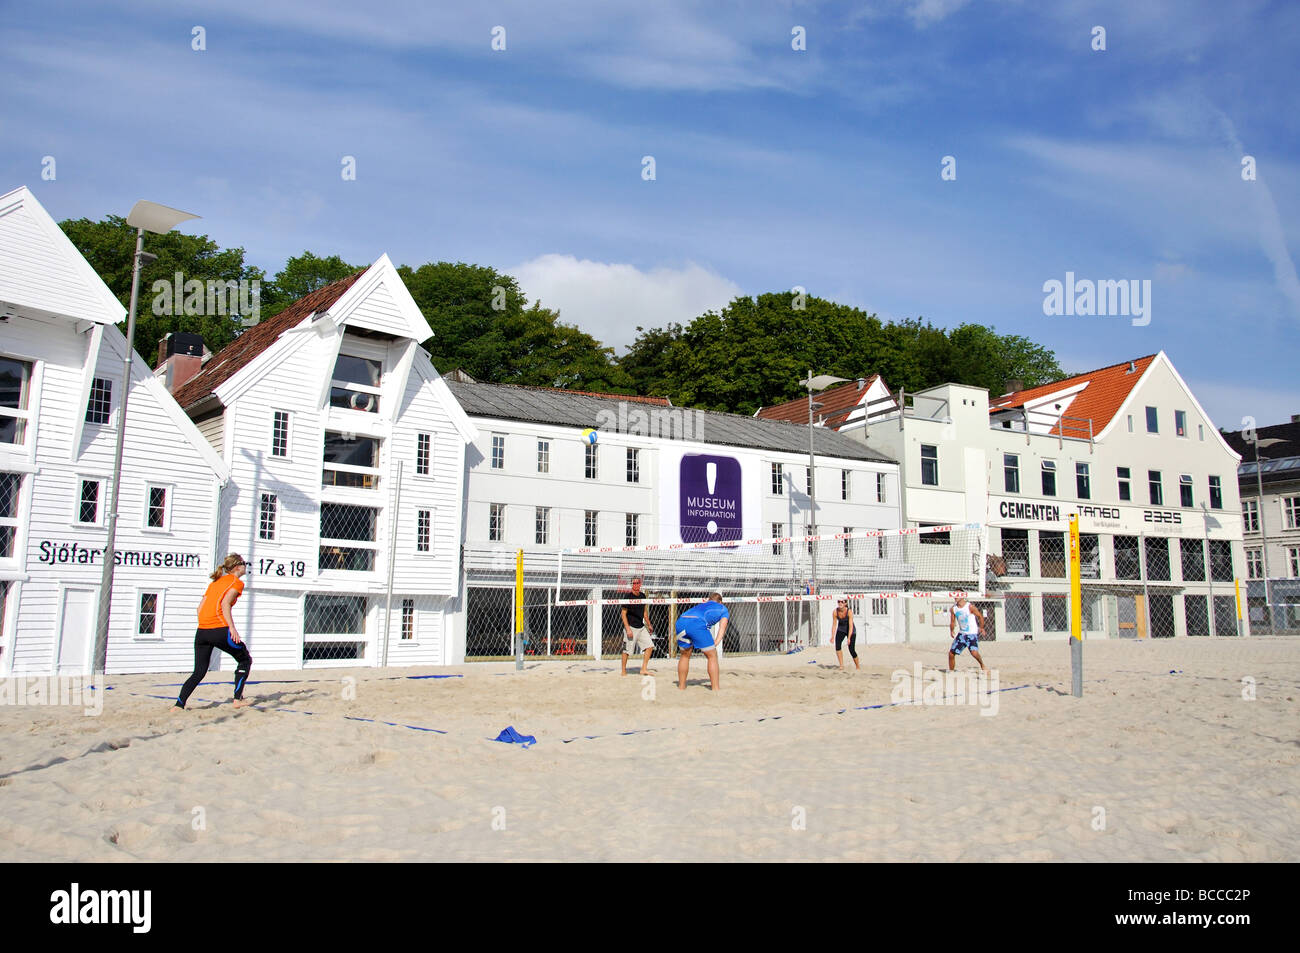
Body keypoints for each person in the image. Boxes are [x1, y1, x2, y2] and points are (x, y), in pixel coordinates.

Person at [174, 553, 253, 710]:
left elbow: (199, 608)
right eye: (244, 563)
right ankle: (237, 699)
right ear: (237, 567)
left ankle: (178, 705)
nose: (246, 565)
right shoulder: (236, 582)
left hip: (202, 631)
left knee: (199, 671)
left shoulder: (215, 583)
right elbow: (225, 604)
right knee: (245, 660)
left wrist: (207, 625)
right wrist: (232, 628)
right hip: (219, 629)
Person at [675, 593, 728, 691]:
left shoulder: (702, 605)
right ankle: (715, 688)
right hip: (697, 623)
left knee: (685, 655)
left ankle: (681, 686)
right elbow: (722, 628)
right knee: (712, 656)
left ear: (709, 600)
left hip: (681, 621)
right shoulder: (723, 608)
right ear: (720, 602)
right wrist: (716, 642)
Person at [620, 576, 656, 676]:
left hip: (641, 626)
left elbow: (644, 612)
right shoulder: (628, 597)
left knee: (650, 646)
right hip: (631, 627)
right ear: (632, 585)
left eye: (638, 583)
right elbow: (623, 614)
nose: (636, 585)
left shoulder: (643, 596)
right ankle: (623, 671)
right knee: (627, 650)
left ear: (640, 584)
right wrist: (627, 629)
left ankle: (643, 669)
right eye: (634, 583)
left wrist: (649, 624)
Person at [948, 595, 988, 673]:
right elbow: (952, 621)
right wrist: (952, 630)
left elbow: (980, 616)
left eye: (957, 594)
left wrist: (981, 627)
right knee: (951, 654)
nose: (955, 596)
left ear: (962, 596)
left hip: (971, 634)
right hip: (962, 634)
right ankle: (951, 672)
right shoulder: (953, 609)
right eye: (954, 595)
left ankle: (982, 664)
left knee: (974, 653)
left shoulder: (970, 607)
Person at [831, 599, 859, 670]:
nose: (840, 603)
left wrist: (849, 638)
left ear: (845, 603)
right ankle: (841, 665)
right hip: (841, 629)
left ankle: (857, 666)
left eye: (842, 602)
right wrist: (832, 636)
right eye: (838, 601)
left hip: (851, 630)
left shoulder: (849, 611)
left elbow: (851, 625)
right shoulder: (835, 612)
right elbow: (834, 625)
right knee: (837, 646)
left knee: (851, 649)